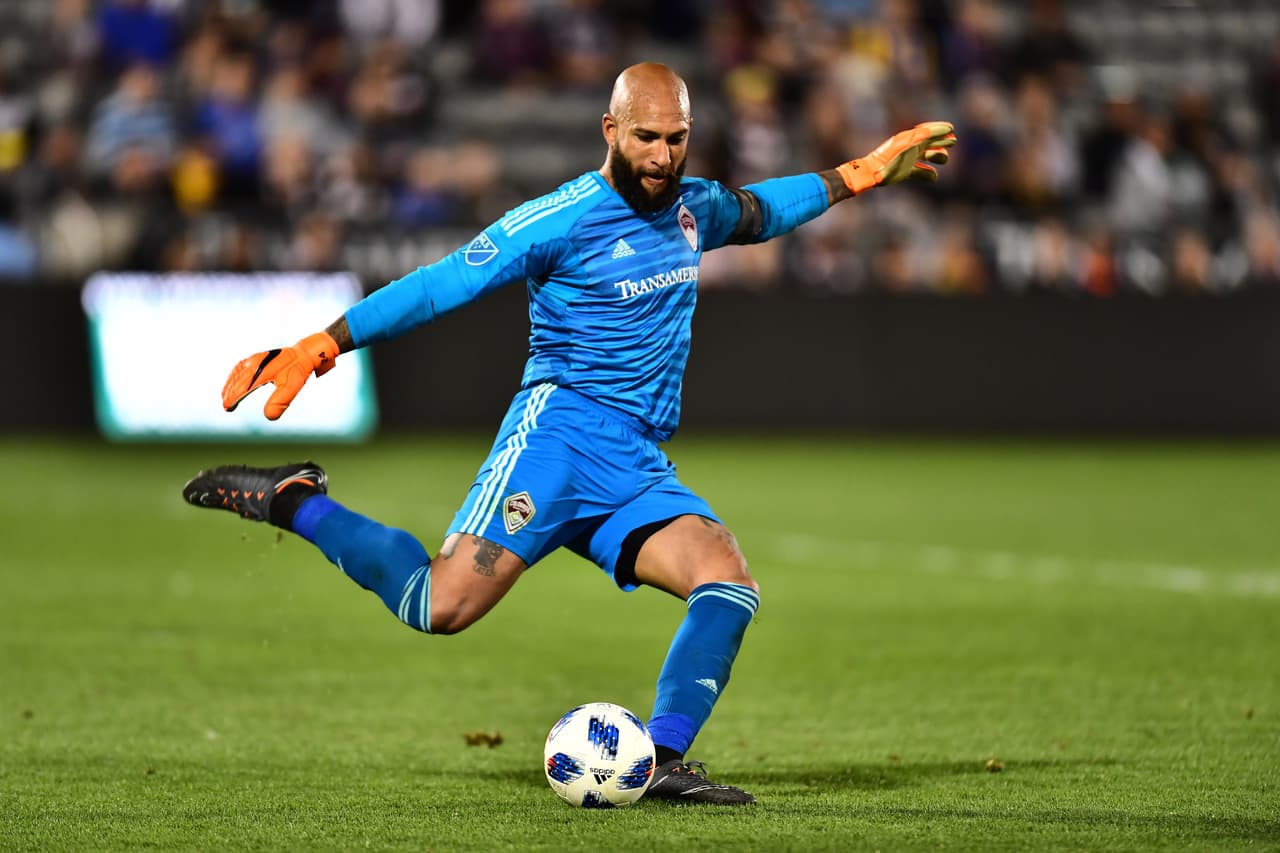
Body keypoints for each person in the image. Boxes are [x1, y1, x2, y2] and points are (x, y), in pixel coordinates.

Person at [183, 62, 954, 805]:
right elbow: (446, 279)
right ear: (610, 128)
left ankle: (661, 758)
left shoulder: (693, 207)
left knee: (728, 582)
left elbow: (761, 209)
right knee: (437, 605)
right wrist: (327, 342)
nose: (661, 157)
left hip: (637, 461)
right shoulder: (562, 218)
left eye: (676, 139)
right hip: (557, 441)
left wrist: (864, 173)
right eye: (646, 138)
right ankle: (297, 501)